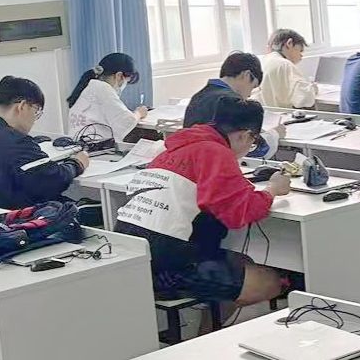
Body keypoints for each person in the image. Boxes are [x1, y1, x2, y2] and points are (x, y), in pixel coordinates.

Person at [116, 95, 292, 327]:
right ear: (244, 135)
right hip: (167, 264)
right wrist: (272, 190)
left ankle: (209, 331)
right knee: (272, 282)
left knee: (240, 261)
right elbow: (240, 212)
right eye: (253, 142)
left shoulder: (173, 151)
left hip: (131, 255)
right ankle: (206, 339)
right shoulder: (216, 152)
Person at [0, 76, 89, 209]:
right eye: (36, 111)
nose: (34, 119)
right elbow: (52, 180)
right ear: (22, 106)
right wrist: (77, 163)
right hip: (11, 220)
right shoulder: (15, 141)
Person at [188, 52, 276, 158]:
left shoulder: (200, 95)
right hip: (215, 160)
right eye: (252, 87)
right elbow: (249, 148)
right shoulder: (231, 102)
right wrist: (274, 134)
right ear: (247, 75)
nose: (249, 95)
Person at [66, 52, 146, 142]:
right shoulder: (103, 88)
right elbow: (126, 121)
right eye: (126, 81)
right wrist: (139, 113)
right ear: (119, 76)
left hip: (77, 145)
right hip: (93, 146)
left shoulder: (88, 86)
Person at [255, 29, 316, 109]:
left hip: (264, 113)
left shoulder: (262, 60)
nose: (301, 55)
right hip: (282, 114)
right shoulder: (285, 65)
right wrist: (313, 88)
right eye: (300, 50)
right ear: (289, 43)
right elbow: (305, 99)